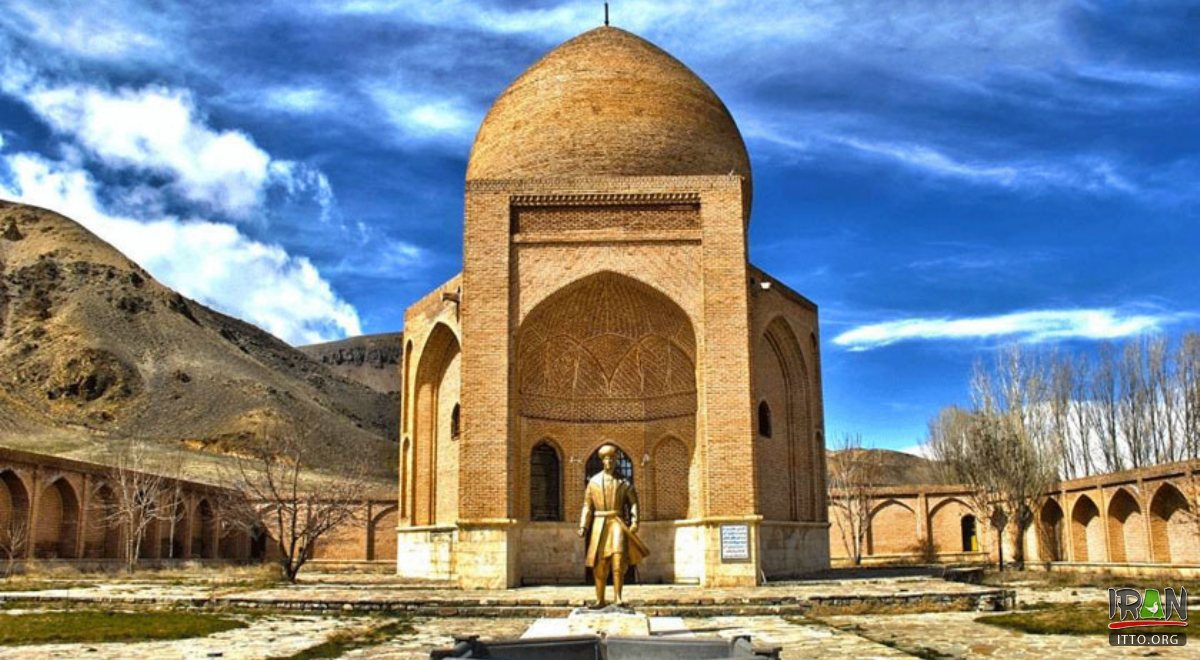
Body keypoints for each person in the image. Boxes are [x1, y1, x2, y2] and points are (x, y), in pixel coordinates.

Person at [578, 444, 648, 606]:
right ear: (602, 461)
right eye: (606, 459)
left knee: (618, 559)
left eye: (612, 459)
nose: (609, 462)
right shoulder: (593, 482)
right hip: (599, 523)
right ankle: (599, 599)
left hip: (617, 522)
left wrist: (635, 521)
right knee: (599, 563)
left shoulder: (624, 482)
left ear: (616, 461)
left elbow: (633, 504)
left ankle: (618, 597)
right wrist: (583, 526)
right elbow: (587, 506)